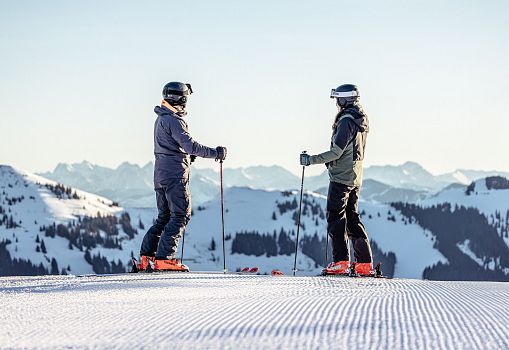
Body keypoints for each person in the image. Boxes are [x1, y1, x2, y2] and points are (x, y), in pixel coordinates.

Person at [139, 82, 227, 271]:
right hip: (175, 176)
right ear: (182, 99)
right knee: (180, 216)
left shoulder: (161, 118)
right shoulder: (174, 120)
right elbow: (190, 146)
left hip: (160, 175)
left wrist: (186, 156)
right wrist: (216, 153)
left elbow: (171, 147)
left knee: (164, 217)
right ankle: (165, 259)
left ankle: (147, 257)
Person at [300, 84, 373, 276]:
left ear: (345, 100)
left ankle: (341, 261)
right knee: (352, 217)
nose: (337, 103)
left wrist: (311, 160)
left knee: (336, 217)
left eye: (338, 99)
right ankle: (364, 264)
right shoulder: (361, 119)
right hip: (355, 177)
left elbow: (336, 152)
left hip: (341, 177)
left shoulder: (346, 121)